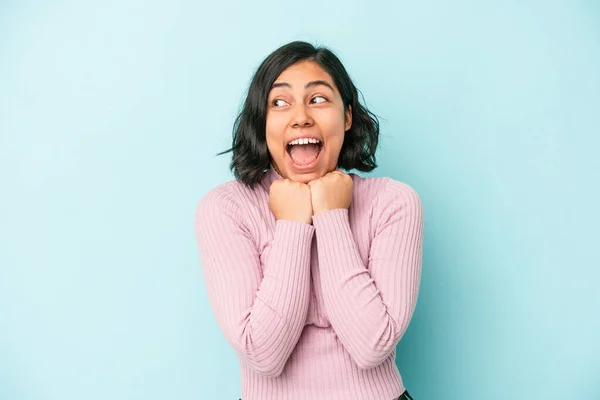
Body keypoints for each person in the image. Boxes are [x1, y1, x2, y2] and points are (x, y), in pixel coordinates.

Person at [194, 41, 423, 400]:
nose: (301, 116)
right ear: (262, 122)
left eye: (318, 99)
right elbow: (263, 355)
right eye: (279, 103)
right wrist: (294, 225)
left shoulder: (393, 203)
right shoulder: (227, 208)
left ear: (347, 116)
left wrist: (331, 216)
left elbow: (372, 347)